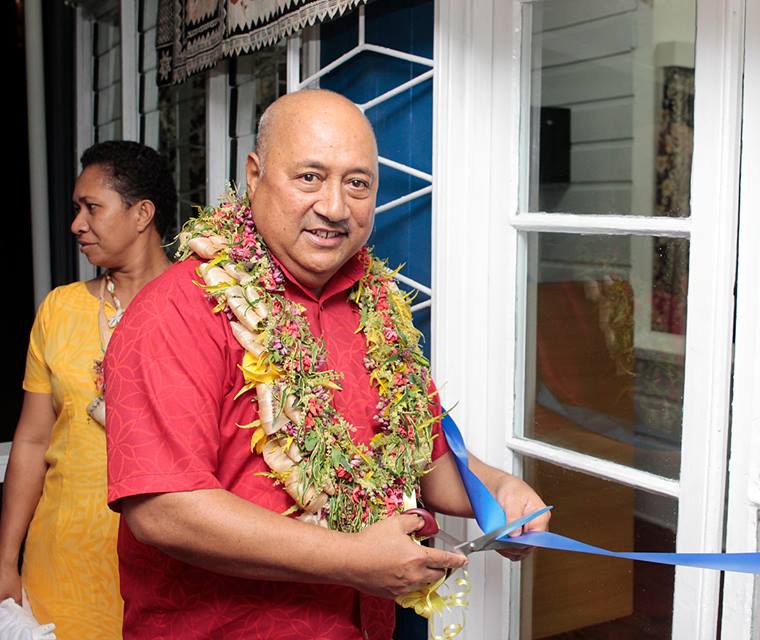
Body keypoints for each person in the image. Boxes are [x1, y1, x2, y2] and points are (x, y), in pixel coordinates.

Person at [103, 89, 549, 639]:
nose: (335, 207)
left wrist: (499, 491)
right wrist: (351, 559)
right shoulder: (176, 311)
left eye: (357, 183)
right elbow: (163, 508)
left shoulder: (379, 309)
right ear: (255, 175)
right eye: (309, 177)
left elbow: (424, 456)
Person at [0, 141, 176, 638]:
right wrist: (4, 558)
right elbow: (32, 442)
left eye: (91, 208)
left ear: (142, 214)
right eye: (77, 208)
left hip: (166, 568)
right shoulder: (59, 309)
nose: (77, 223)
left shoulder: (198, 308)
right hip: (61, 566)